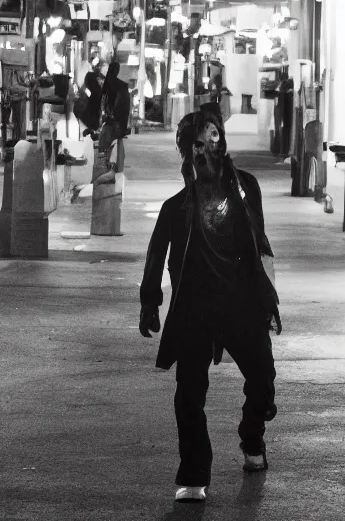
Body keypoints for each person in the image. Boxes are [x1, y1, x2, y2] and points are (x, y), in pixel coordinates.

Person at [138, 107, 281, 504]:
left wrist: (268, 297)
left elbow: (260, 245)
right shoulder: (176, 208)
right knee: (189, 394)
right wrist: (150, 300)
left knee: (263, 380)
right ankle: (194, 471)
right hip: (196, 309)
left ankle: (252, 437)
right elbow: (155, 254)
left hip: (240, 305)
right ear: (187, 152)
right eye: (198, 142)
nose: (208, 147)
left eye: (214, 136)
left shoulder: (247, 189)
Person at [101, 60, 132, 138]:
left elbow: (103, 94)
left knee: (111, 133)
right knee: (118, 133)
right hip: (119, 111)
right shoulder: (121, 84)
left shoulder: (107, 81)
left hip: (110, 111)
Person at [79, 54, 105, 138]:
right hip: (92, 100)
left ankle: (93, 131)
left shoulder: (98, 76)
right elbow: (84, 87)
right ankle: (92, 131)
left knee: (95, 115)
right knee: (93, 115)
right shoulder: (91, 76)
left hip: (96, 100)